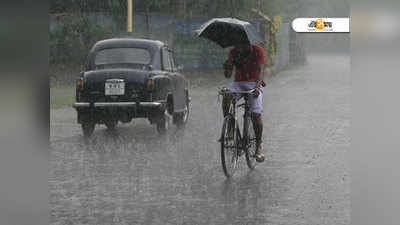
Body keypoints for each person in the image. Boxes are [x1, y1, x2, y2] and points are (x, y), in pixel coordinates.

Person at [222, 43, 266, 162]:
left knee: (256, 115)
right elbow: (227, 75)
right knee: (226, 97)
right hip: (238, 84)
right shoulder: (233, 51)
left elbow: (261, 70)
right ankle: (230, 128)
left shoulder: (258, 50)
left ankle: (258, 146)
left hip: (254, 84)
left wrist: (257, 87)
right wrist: (227, 66)